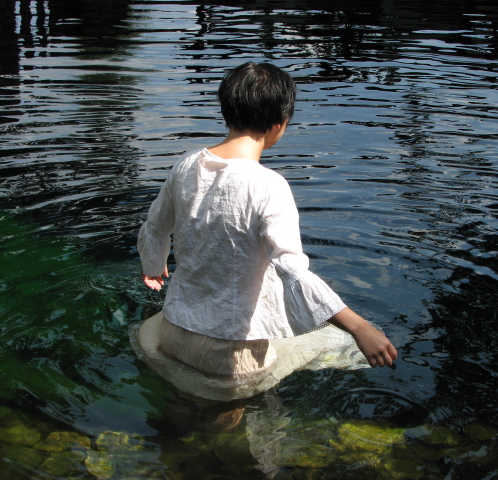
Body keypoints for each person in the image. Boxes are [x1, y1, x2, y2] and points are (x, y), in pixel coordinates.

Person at [135, 61, 397, 400]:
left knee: (180, 410)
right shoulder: (269, 185)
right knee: (224, 432)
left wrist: (154, 266)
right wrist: (360, 328)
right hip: (232, 349)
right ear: (279, 124)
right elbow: (292, 271)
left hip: (175, 329)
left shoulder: (186, 165)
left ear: (226, 111)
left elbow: (155, 228)